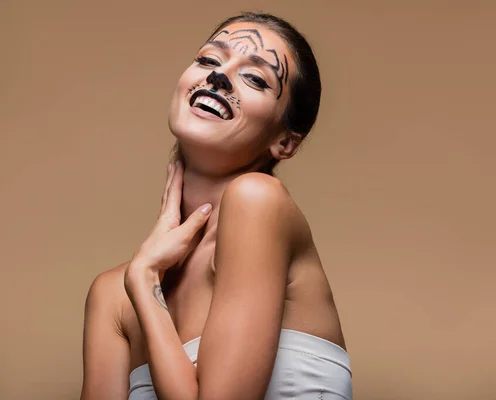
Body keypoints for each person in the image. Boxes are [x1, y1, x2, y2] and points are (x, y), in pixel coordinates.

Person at [80, 12, 352, 400]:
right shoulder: (112, 297)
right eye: (209, 60)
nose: (219, 77)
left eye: (256, 78)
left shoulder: (258, 201)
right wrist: (140, 279)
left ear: (285, 143)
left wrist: (144, 278)